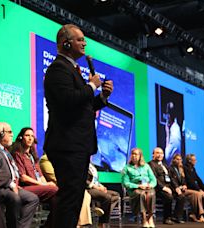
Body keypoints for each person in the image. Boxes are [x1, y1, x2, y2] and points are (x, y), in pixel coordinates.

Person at [43, 23, 114, 228]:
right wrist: (91, 85)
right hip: (67, 145)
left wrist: (102, 96)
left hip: (76, 146)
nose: (84, 43)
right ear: (65, 43)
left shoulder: (71, 68)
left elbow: (84, 106)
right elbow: (68, 100)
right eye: (80, 39)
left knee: (72, 199)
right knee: (70, 199)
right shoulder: (58, 68)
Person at [0, 122, 39, 228]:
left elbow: (14, 171)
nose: (12, 135)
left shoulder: (6, 151)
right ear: (1, 134)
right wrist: (11, 184)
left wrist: (15, 183)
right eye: (9, 132)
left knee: (32, 198)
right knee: (14, 198)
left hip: (13, 186)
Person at [10, 127, 58, 227]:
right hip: (25, 187)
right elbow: (23, 177)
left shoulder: (32, 156)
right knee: (54, 189)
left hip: (38, 187)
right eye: (27, 135)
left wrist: (45, 183)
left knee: (57, 200)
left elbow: (40, 175)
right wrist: (44, 185)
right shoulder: (17, 154)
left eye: (32, 136)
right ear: (21, 137)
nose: (30, 138)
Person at [40, 153, 95, 227]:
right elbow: (54, 177)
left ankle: (80, 224)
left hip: (67, 187)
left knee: (84, 194)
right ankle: (79, 224)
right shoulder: (46, 159)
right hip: (56, 188)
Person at [121, 148, 157, 228]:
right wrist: (138, 186)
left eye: (136, 154)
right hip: (135, 189)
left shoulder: (146, 166)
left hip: (147, 187)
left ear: (140, 156)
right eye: (132, 154)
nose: (134, 156)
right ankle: (144, 218)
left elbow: (153, 179)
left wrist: (150, 185)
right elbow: (125, 183)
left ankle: (150, 217)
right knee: (141, 195)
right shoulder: (127, 168)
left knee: (151, 194)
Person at [148, 147, 184, 224]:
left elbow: (171, 178)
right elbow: (154, 179)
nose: (159, 155)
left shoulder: (165, 165)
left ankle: (175, 217)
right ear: (153, 154)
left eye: (161, 153)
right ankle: (167, 218)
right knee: (169, 197)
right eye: (157, 153)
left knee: (181, 196)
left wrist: (176, 187)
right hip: (158, 188)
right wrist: (163, 187)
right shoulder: (150, 164)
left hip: (169, 186)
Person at [86, 161, 120, 228]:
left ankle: (100, 209)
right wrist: (96, 187)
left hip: (97, 186)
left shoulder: (92, 166)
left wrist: (101, 186)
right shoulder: (83, 165)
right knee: (107, 197)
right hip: (89, 189)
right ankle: (101, 223)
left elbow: (95, 180)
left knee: (116, 195)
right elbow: (84, 180)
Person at [184, 154, 204, 221]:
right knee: (201, 194)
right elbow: (190, 182)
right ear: (189, 161)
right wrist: (199, 190)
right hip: (190, 188)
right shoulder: (185, 168)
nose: (196, 161)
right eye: (194, 160)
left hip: (194, 189)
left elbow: (198, 179)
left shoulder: (193, 169)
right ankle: (201, 215)